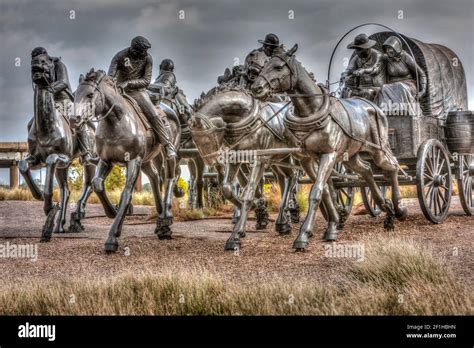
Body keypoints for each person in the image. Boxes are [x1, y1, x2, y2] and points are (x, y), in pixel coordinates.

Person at [26, 47, 97, 164]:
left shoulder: (58, 64)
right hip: (50, 103)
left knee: (77, 120)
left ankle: (86, 151)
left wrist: (49, 91)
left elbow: (63, 82)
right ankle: (32, 152)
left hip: (65, 100)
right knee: (31, 124)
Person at [108, 36, 176, 158]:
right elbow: (110, 76)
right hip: (119, 91)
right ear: (134, 49)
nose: (144, 54)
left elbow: (146, 81)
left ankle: (167, 144)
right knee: (104, 107)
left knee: (153, 114)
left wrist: (129, 83)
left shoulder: (148, 58)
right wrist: (115, 86)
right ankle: (97, 147)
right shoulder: (120, 56)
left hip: (138, 92)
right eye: (141, 51)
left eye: (145, 52)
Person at [376, 36, 427, 116]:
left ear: (396, 48)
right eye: (387, 49)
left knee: (400, 87)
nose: (388, 51)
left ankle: (405, 112)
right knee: (383, 88)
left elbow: (421, 74)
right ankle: (385, 114)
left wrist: (423, 90)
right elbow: (376, 61)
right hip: (392, 86)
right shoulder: (386, 59)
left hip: (408, 85)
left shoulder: (406, 57)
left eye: (390, 48)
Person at [340, 33, 385, 101]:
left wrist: (363, 70)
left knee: (367, 94)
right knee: (345, 92)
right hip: (360, 88)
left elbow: (375, 69)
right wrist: (344, 75)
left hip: (375, 87)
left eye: (359, 49)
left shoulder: (378, 56)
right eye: (356, 49)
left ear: (367, 48)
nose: (357, 52)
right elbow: (349, 69)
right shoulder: (356, 58)